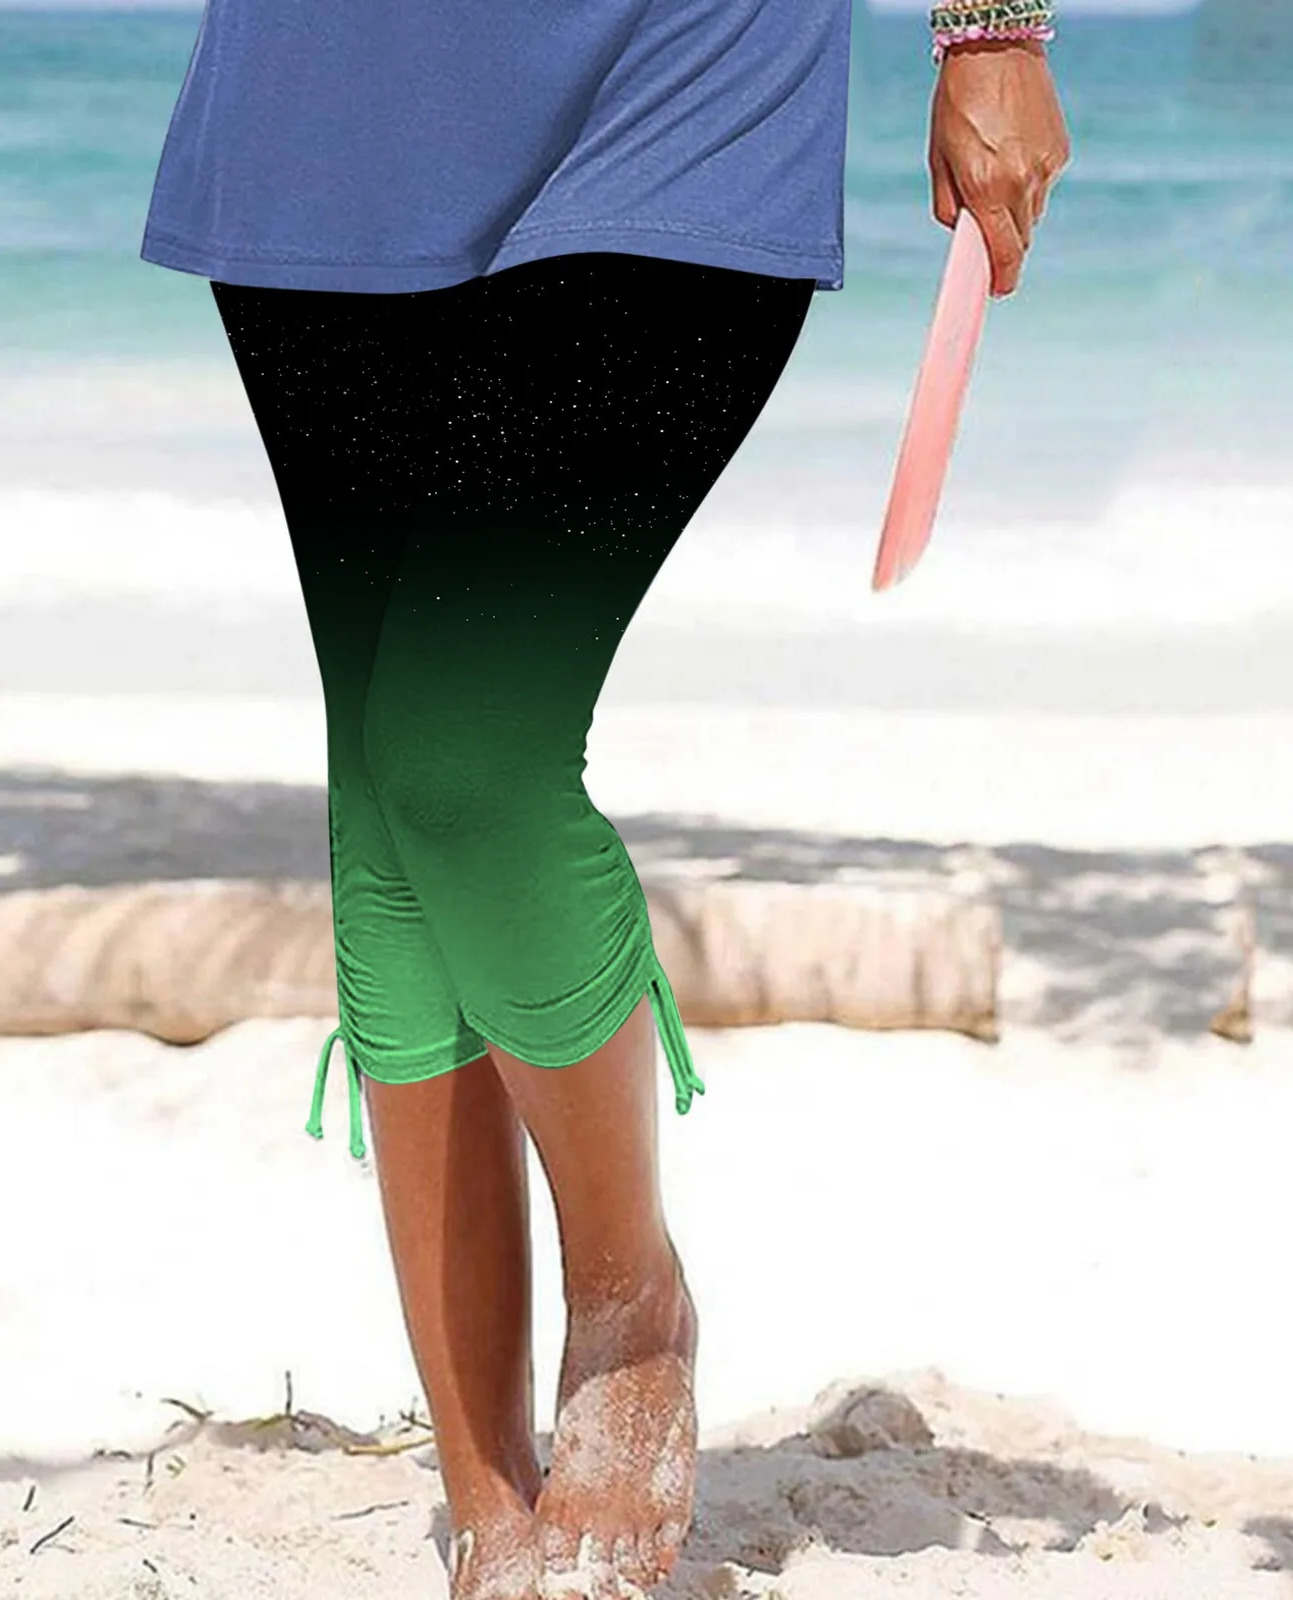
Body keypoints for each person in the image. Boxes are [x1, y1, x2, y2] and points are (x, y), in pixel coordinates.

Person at [140, 3, 1070, 1594]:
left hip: (684, 66)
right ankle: (483, 1485)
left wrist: (993, 26)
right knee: (386, 780)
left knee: (461, 753)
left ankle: (631, 1299)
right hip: (329, 87)